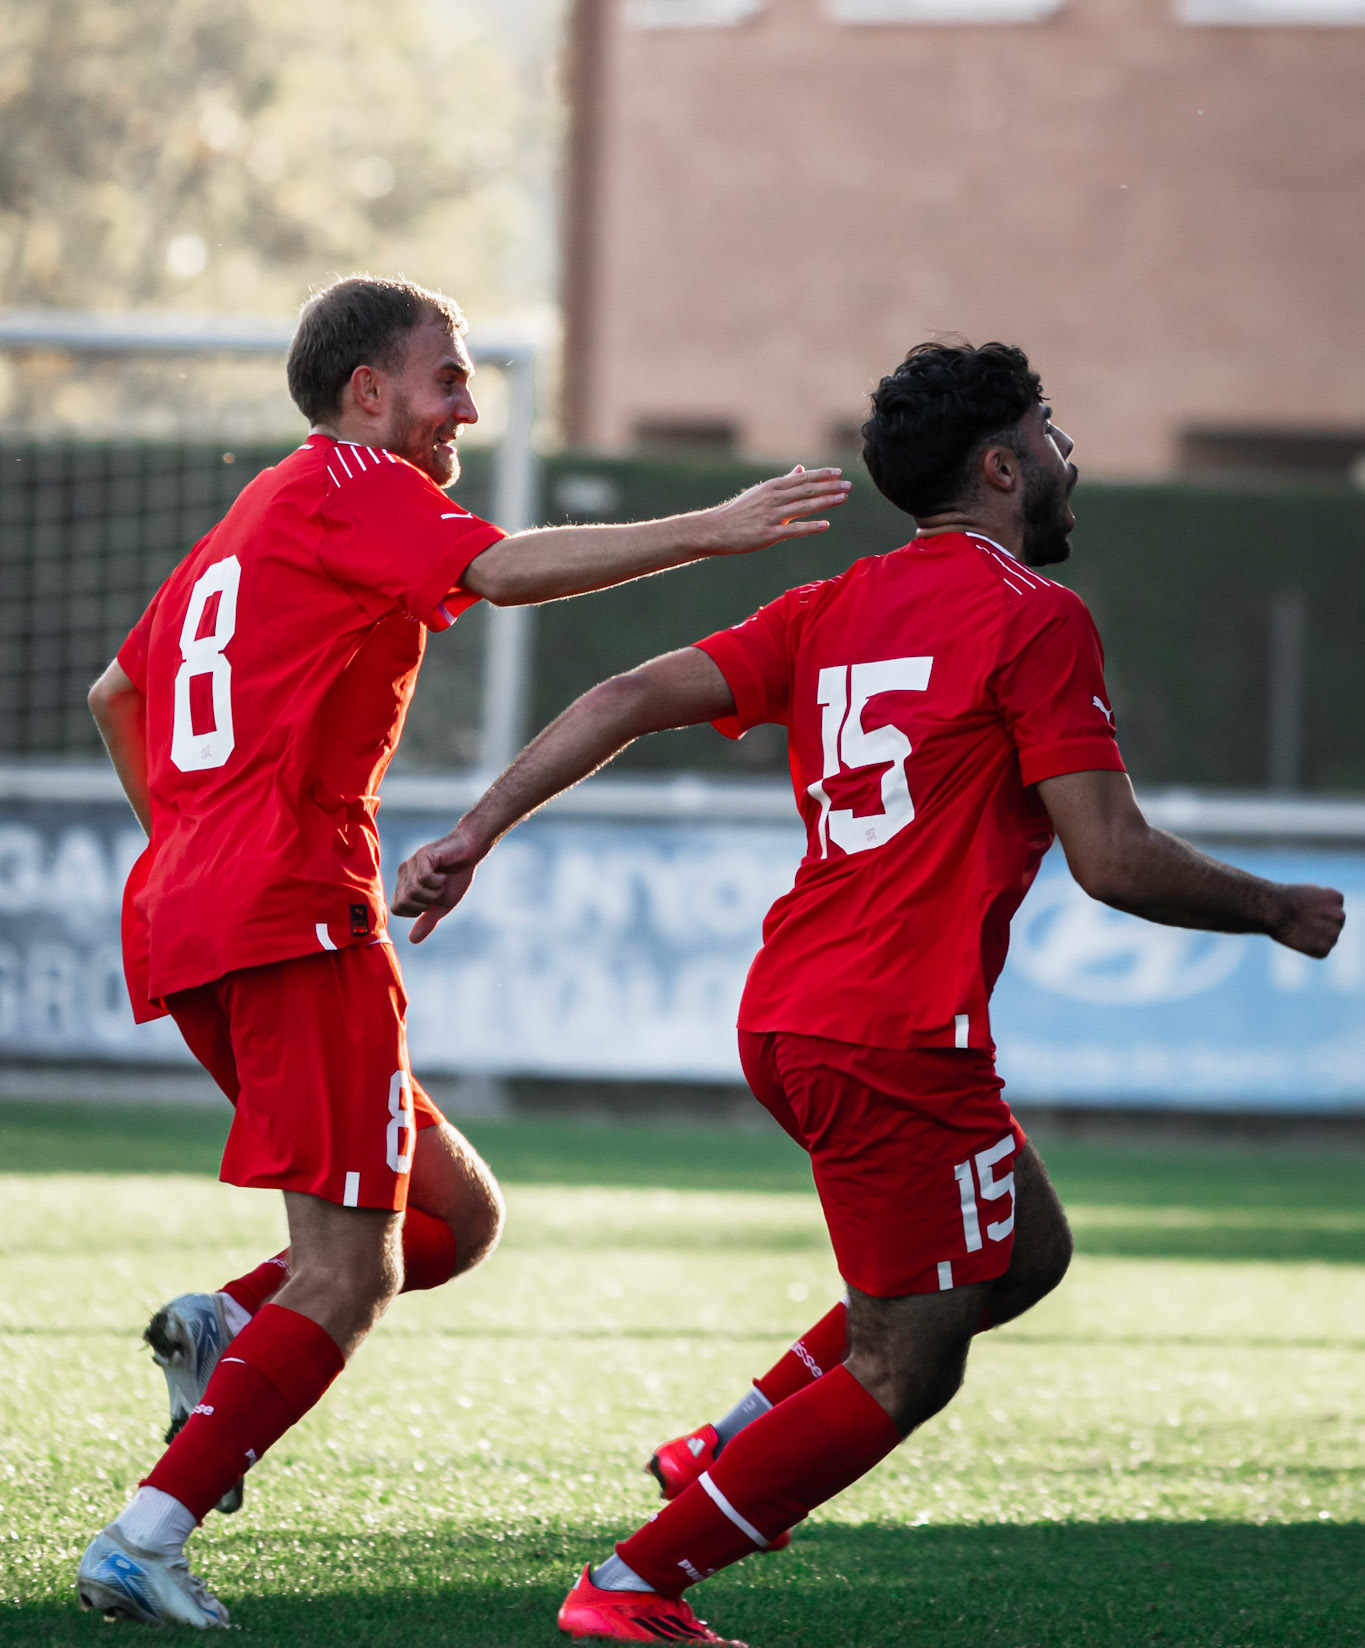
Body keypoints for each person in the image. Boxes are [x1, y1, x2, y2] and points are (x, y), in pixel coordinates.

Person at [392, 338, 1346, 1648]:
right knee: (911, 1361)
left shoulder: (838, 603)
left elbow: (620, 693)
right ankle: (632, 1587)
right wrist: (1272, 907)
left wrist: (470, 833)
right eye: (1051, 430)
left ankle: (728, 1451)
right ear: (1003, 466)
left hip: (791, 1012)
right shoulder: (1032, 618)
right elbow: (1112, 859)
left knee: (1022, 1251)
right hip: (893, 1033)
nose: (1070, 457)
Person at [75, 273, 850, 1630]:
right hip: (289, 907)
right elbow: (499, 571)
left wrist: (199, 844)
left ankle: (221, 1330)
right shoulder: (355, 482)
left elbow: (116, 692)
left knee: (454, 1217)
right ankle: (148, 1532)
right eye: (447, 378)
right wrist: (718, 532)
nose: (466, 406)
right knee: (353, 1268)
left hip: (196, 912)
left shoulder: (263, 509)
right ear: (367, 393)